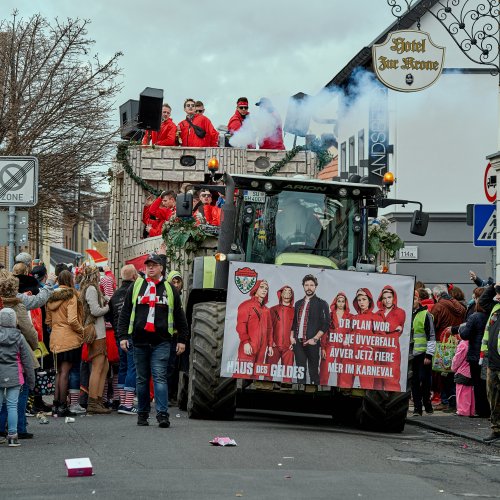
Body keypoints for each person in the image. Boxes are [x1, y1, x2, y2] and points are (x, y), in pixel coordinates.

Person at [117, 253, 189, 428]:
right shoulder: (136, 286)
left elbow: (180, 316)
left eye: (154, 265)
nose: (150, 267)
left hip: (162, 341)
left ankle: (162, 415)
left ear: (161, 268)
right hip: (139, 341)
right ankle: (142, 414)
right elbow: (126, 312)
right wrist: (123, 336)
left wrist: (182, 340)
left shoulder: (169, 289)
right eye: (148, 265)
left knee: (159, 377)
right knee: (142, 380)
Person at [0, 271, 38, 440]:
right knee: (20, 395)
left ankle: (1, 427)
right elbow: (29, 331)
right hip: (16, 360)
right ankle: (18, 428)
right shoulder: (18, 305)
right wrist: (34, 345)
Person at [46, 270, 84, 417]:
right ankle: (62, 405)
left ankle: (56, 404)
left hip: (55, 337)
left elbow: (48, 321)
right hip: (69, 338)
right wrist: (82, 331)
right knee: (66, 372)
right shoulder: (72, 296)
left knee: (59, 372)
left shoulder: (50, 297)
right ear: (70, 280)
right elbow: (73, 319)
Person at [449, 287, 490, 417]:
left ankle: (480, 410)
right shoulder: (490, 315)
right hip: (488, 353)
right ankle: (488, 409)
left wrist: (460, 331)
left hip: (475, 355)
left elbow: (466, 334)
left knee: (477, 383)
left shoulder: (475, 316)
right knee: (486, 383)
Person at [0, 308, 35, 447]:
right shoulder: (19, 337)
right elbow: (27, 360)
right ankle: (13, 436)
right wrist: (31, 381)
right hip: (14, 375)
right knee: (12, 405)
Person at [79, 266, 111, 415]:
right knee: (98, 368)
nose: (100, 276)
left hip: (100, 332)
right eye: (98, 273)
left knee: (104, 366)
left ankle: (98, 400)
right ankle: (93, 401)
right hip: (96, 332)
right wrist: (107, 308)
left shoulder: (93, 288)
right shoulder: (91, 289)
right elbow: (95, 311)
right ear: (94, 275)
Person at [108, 264, 138, 415]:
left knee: (123, 367)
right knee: (133, 368)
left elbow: (109, 316)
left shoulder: (115, 295)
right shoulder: (135, 291)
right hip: (132, 335)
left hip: (118, 337)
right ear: (134, 276)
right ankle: (127, 404)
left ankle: (119, 401)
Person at [431, 284, 466, 411]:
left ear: (436, 295)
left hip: (443, 344)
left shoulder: (438, 307)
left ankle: (445, 400)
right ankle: (454, 401)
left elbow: (431, 326)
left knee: (442, 374)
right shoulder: (460, 306)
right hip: (458, 343)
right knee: (453, 373)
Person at [290, 275, 329, 385]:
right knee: (300, 372)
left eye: (311, 285)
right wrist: (291, 337)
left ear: (315, 287)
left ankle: (313, 394)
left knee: (313, 373)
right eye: (306, 285)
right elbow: (294, 322)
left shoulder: (322, 303)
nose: (309, 287)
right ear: (303, 286)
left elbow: (326, 323)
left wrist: (315, 339)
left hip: (313, 343)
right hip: (298, 343)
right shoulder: (298, 303)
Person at [235, 280, 273, 378]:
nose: (264, 290)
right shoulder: (246, 305)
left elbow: (269, 329)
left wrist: (269, 345)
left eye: (266, 288)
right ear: (255, 288)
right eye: (261, 287)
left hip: (262, 348)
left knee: (255, 376)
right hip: (249, 346)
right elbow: (241, 325)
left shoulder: (266, 310)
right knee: (242, 374)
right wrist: (246, 342)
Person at [478, 282, 500, 442]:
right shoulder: (495, 308)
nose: (497, 296)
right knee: (493, 398)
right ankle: (496, 429)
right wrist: (493, 286)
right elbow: (483, 302)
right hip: (493, 363)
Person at [374, 286, 406, 392]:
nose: (387, 300)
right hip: (377, 347)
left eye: (389, 297)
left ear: (394, 298)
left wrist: (381, 329)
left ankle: (393, 402)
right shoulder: (377, 313)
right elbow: (374, 328)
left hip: (391, 348)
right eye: (384, 298)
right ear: (381, 299)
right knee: (377, 376)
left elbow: (392, 325)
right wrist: (391, 329)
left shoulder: (400, 312)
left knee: (392, 375)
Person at [411, 290, 436, 416]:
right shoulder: (407, 314)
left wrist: (429, 355)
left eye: (415, 298)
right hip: (411, 355)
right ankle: (417, 408)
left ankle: (427, 403)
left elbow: (431, 335)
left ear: (419, 300)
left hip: (422, 354)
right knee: (414, 381)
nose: (413, 301)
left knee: (424, 381)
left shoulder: (426, 315)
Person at [320, 292, 353, 387]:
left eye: (343, 301)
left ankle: (340, 391)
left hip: (344, 346)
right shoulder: (329, 315)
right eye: (339, 301)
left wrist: (348, 340)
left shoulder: (350, 316)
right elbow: (324, 332)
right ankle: (321, 389)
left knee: (342, 372)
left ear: (345, 303)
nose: (341, 303)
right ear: (335, 302)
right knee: (325, 370)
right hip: (330, 345)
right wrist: (323, 348)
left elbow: (352, 331)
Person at [351, 288, 380, 390]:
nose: (361, 302)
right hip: (351, 354)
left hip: (366, 355)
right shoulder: (353, 317)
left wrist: (370, 346)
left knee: (367, 384)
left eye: (364, 299)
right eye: (359, 300)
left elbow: (381, 336)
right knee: (346, 384)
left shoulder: (375, 317)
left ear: (369, 300)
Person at [268, 286, 295, 383]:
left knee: (288, 373)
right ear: (281, 294)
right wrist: (270, 344)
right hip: (275, 346)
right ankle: (266, 383)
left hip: (288, 347)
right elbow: (269, 328)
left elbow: (297, 328)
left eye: (289, 292)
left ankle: (287, 385)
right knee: (269, 370)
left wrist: (294, 342)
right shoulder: (273, 309)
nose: (287, 293)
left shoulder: (295, 311)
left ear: (292, 295)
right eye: (285, 291)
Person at [451, 338, 475, 417]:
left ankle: (462, 411)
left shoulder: (463, 344)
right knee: (470, 393)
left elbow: (457, 359)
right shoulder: (474, 342)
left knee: (461, 393)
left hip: (462, 372)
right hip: (471, 372)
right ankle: (471, 411)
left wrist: (453, 368)